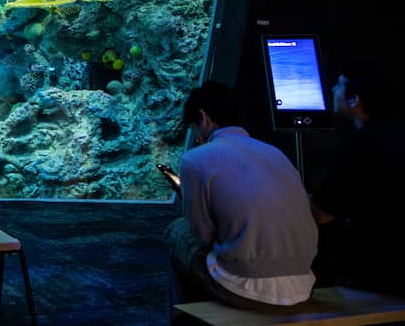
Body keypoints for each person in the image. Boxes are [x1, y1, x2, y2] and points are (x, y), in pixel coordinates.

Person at [166, 80, 318, 316]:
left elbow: (202, 237)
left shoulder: (195, 159)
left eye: (194, 128)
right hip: (303, 285)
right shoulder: (276, 154)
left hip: (248, 288)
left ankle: (189, 319)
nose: (197, 137)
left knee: (178, 230)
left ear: (203, 118)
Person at [309, 62, 405, 293]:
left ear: (355, 100)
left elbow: (321, 214)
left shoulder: (361, 146)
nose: (332, 89)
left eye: (340, 85)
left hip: (379, 272)